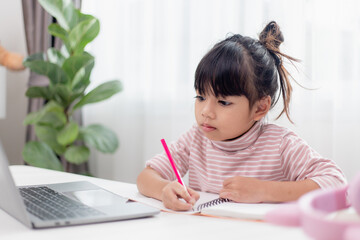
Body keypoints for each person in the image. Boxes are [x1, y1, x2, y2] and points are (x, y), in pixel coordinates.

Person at [137, 21, 346, 211]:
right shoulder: (196, 139)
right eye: (200, 97)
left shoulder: (281, 145)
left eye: (223, 102)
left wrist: (264, 190)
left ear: (260, 108)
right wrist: (164, 189)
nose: (205, 111)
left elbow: (337, 183)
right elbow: (146, 178)